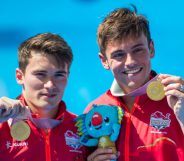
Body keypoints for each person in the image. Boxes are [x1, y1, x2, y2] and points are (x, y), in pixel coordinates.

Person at [85, 6, 184, 161]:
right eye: (119, 55)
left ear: (151, 49)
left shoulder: (178, 99)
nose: (130, 62)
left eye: (138, 50)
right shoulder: (93, 112)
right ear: (104, 61)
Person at [0, 33, 88, 161]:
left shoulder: (82, 130)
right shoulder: (2, 126)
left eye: (59, 75)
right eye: (40, 74)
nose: (50, 85)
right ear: (19, 76)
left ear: (67, 76)